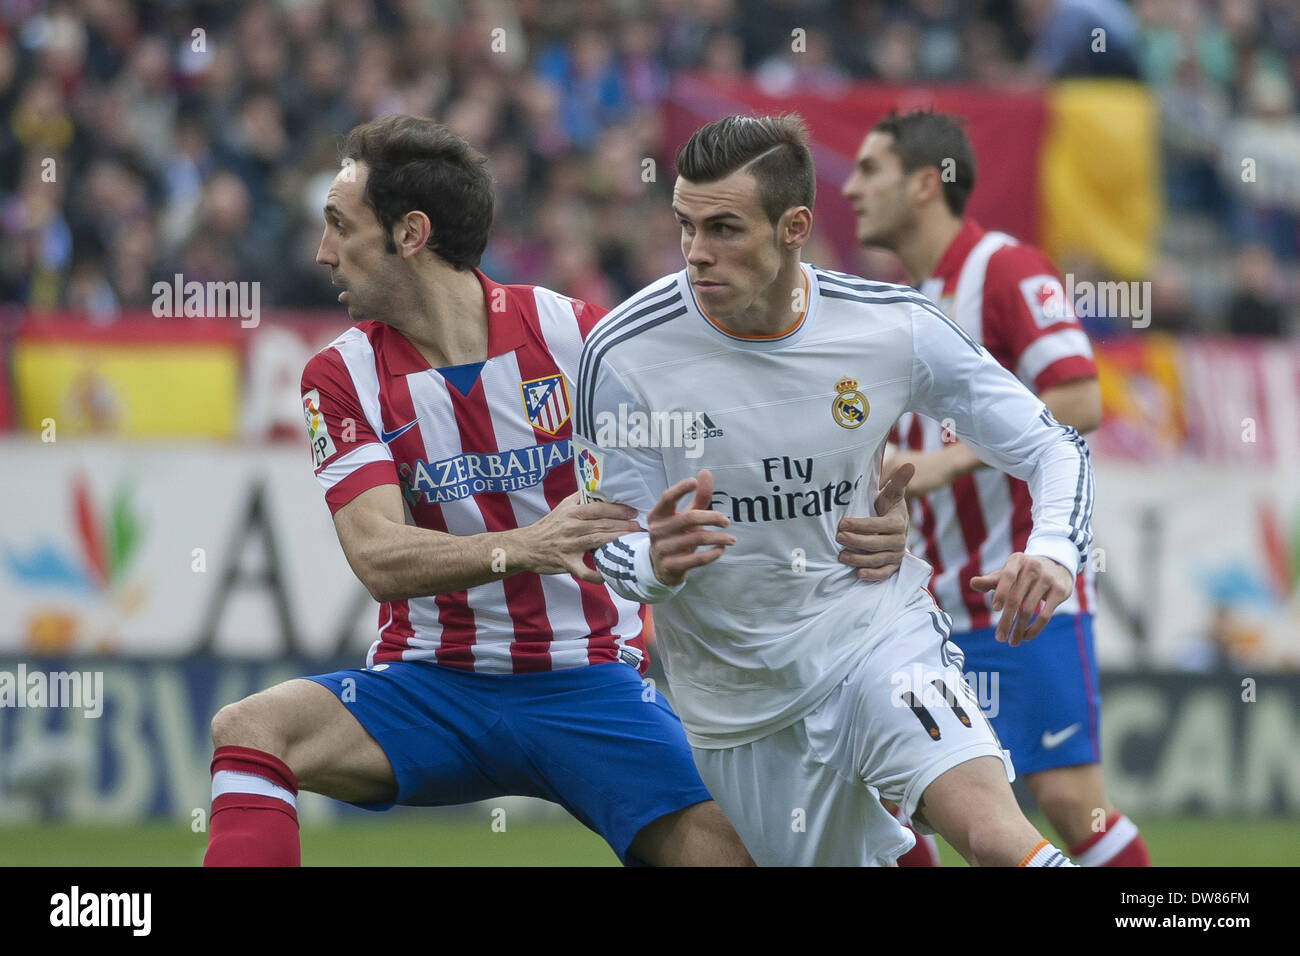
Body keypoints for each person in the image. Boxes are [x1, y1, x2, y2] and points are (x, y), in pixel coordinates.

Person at [200, 114, 836, 867]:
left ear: (411, 234)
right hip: (430, 686)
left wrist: (854, 515)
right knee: (250, 728)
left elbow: (733, 457)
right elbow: (377, 555)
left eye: (340, 225)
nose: (323, 253)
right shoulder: (340, 376)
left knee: (749, 849)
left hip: (589, 684)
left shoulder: (579, 338)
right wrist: (527, 547)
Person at [574, 113, 1090, 867]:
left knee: (992, 834)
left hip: (875, 634)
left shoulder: (893, 327)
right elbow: (597, 538)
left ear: (795, 227)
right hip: (739, 699)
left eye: (724, 229)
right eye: (685, 225)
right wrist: (652, 561)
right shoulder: (623, 351)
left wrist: (1050, 551)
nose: (696, 254)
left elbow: (1053, 442)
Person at [841, 109, 1150, 867]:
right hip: (923, 607)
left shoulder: (1005, 270)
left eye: (869, 170)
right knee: (907, 806)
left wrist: (950, 461)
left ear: (924, 184)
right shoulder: (903, 301)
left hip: (1015, 592)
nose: (849, 189)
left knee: (1072, 803)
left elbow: (1078, 399)